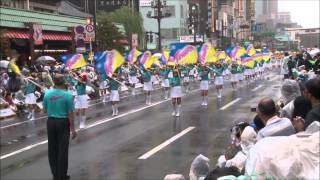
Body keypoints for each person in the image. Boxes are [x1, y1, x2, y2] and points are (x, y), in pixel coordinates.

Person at [43, 74, 77, 180]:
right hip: (63, 122)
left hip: (51, 122)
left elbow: (44, 110)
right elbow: (71, 113)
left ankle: (55, 174)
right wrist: (73, 129)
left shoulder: (47, 94)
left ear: (54, 82)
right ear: (63, 82)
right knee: (62, 150)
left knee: (52, 149)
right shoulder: (68, 95)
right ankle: (62, 175)